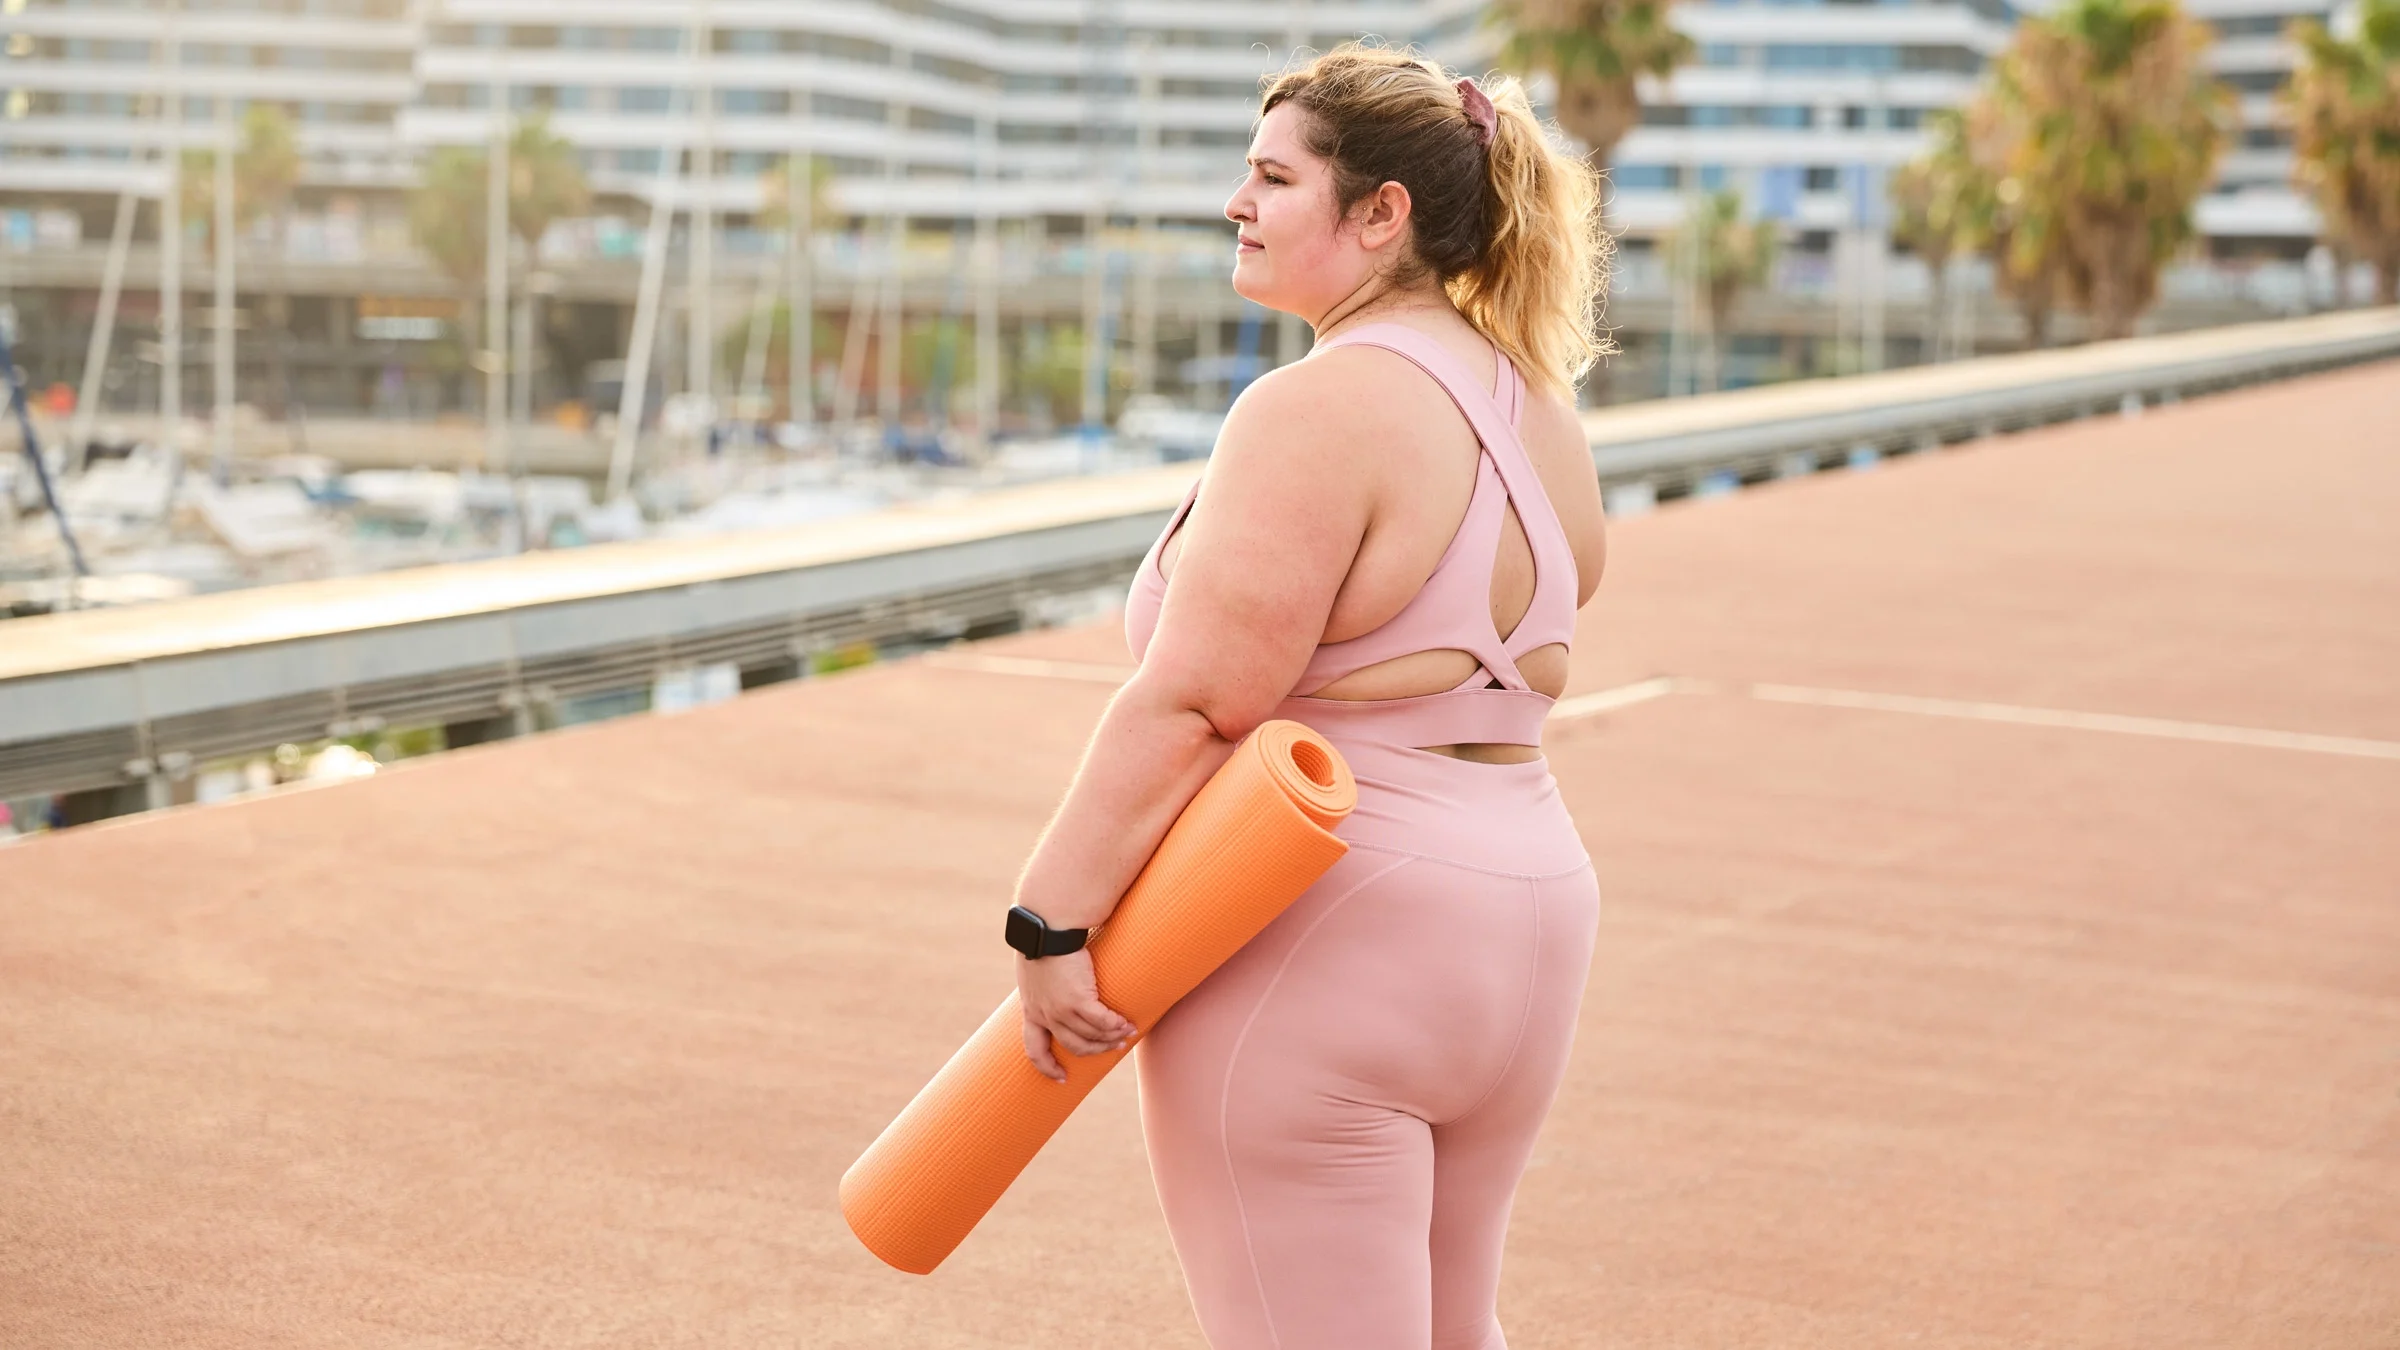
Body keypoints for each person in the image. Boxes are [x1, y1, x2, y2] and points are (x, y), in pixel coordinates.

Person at [1003, 44, 1612, 1350]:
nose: (1238, 201)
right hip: (1526, 924)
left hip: (1335, 930)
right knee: (1453, 1329)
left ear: (1380, 213)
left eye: (1274, 177)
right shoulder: (1539, 410)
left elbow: (1198, 705)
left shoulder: (1318, 409)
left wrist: (1048, 923)